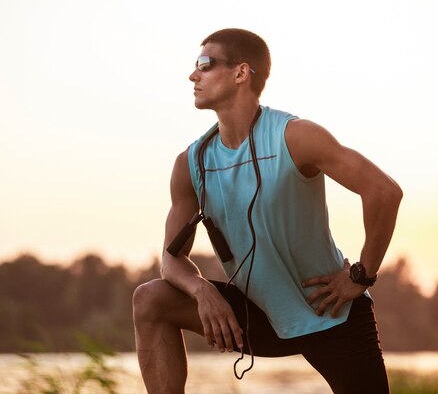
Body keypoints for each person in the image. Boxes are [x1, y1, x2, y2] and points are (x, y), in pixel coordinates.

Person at [133, 28, 403, 394]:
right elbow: (171, 261)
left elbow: (383, 191)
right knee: (150, 298)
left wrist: (360, 276)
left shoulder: (296, 136)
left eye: (204, 64)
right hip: (251, 314)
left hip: (328, 309)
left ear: (241, 73)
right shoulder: (191, 163)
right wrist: (201, 290)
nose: (193, 75)